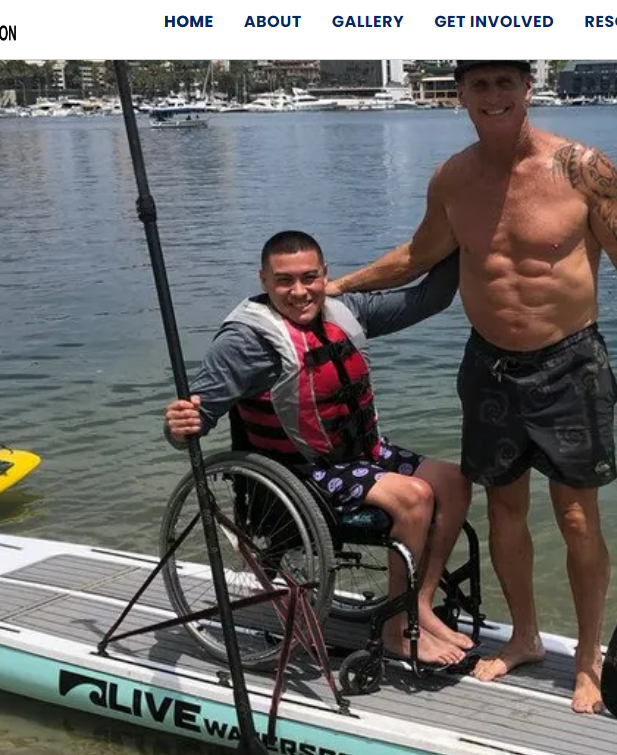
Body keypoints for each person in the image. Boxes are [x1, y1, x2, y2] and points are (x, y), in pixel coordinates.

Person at [327, 60, 617, 713]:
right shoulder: (453, 178)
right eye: (479, 85)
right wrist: (337, 287)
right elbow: (417, 256)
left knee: (578, 516)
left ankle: (586, 657)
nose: (493, 96)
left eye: (506, 83)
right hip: (489, 366)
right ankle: (524, 636)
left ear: (527, 89)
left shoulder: (582, 167)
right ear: (460, 95)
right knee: (503, 512)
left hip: (569, 366)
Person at [163, 230, 473, 666]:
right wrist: (179, 426)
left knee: (455, 480)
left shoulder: (345, 310)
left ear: (326, 276)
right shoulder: (245, 342)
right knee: (414, 496)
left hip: (359, 457)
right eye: (284, 281)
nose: (299, 291)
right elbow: (192, 423)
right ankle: (396, 631)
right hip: (298, 473)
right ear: (264, 281)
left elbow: (431, 298)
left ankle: (416, 606)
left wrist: (464, 230)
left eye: (309, 278)